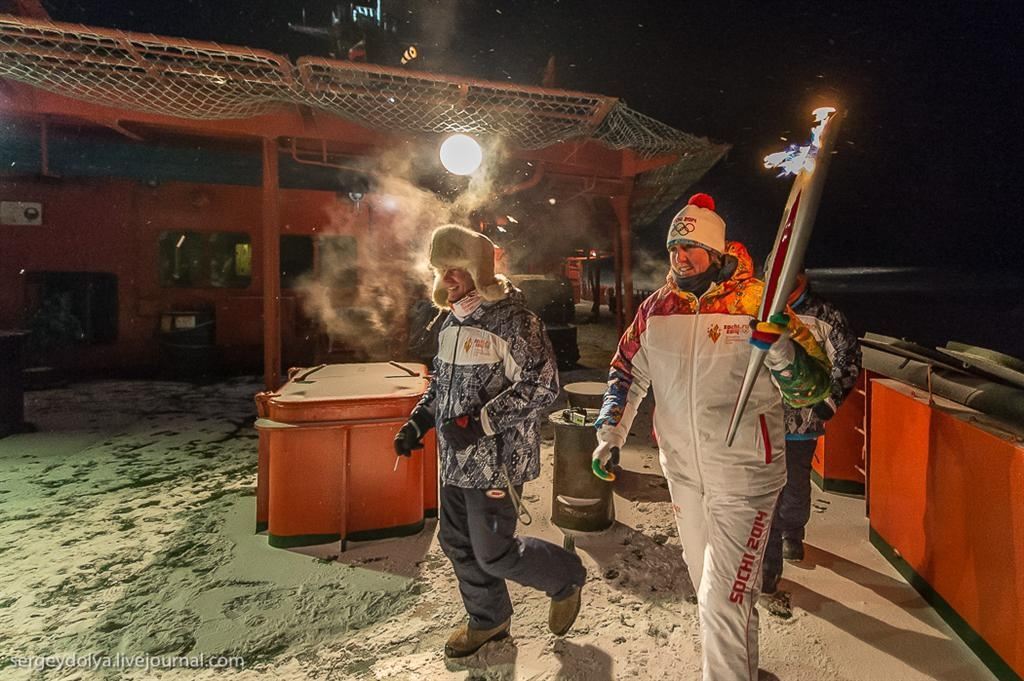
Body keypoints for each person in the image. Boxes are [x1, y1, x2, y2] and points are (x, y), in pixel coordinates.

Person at [591, 194, 832, 681]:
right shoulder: (656, 309)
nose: (680, 256)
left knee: (724, 597)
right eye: (674, 246)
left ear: (717, 252)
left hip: (745, 475)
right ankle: (742, 668)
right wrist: (610, 433)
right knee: (715, 593)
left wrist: (780, 344)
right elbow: (626, 374)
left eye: (691, 247)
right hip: (683, 473)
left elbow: (813, 389)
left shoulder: (758, 303)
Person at [394, 224, 587, 659]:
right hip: (454, 462)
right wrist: (418, 422)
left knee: (495, 552)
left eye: (456, 269)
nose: (447, 280)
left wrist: (478, 423)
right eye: (441, 270)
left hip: (494, 462)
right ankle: (489, 619)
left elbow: (542, 385)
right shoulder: (449, 323)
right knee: (457, 544)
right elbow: (441, 385)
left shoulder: (515, 320)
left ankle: (565, 575)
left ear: (479, 269)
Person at [761, 271, 861, 594]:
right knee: (764, 490)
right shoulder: (760, 309)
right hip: (762, 418)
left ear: (798, 275)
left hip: (802, 423)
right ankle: (768, 565)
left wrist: (830, 401)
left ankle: (792, 531)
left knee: (794, 485)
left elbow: (847, 356)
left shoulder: (823, 315)